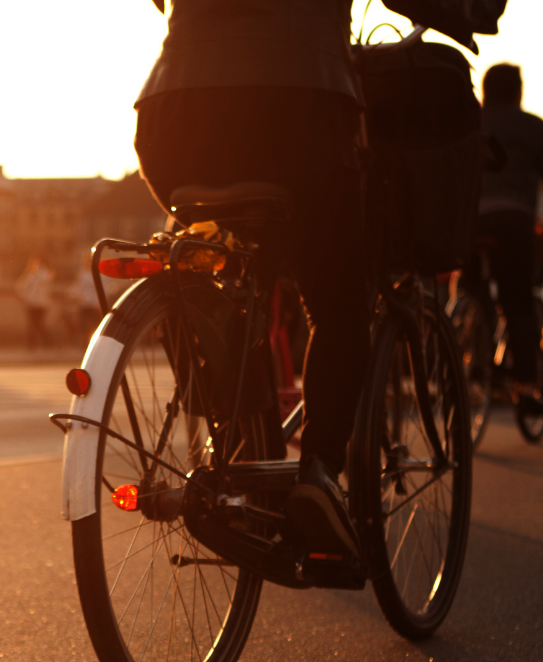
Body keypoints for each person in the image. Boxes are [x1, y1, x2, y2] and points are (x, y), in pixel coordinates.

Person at [134, 0, 368, 558]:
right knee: (339, 308)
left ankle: (239, 440)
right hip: (300, 112)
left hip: (174, 118)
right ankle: (319, 473)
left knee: (193, 271)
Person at [465, 63, 543, 410]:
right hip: (514, 219)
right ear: (519, 92)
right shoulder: (531, 127)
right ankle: (526, 385)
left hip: (470, 220)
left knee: (471, 286)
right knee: (517, 300)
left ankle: (465, 341)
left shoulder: (472, 121)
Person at [15, 254, 54, 350]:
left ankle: (46, 343)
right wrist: (24, 296)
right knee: (32, 325)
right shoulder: (29, 273)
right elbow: (20, 286)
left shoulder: (43, 273)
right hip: (31, 303)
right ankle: (32, 345)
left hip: (41, 304)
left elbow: (47, 279)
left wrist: (36, 272)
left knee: (38, 325)